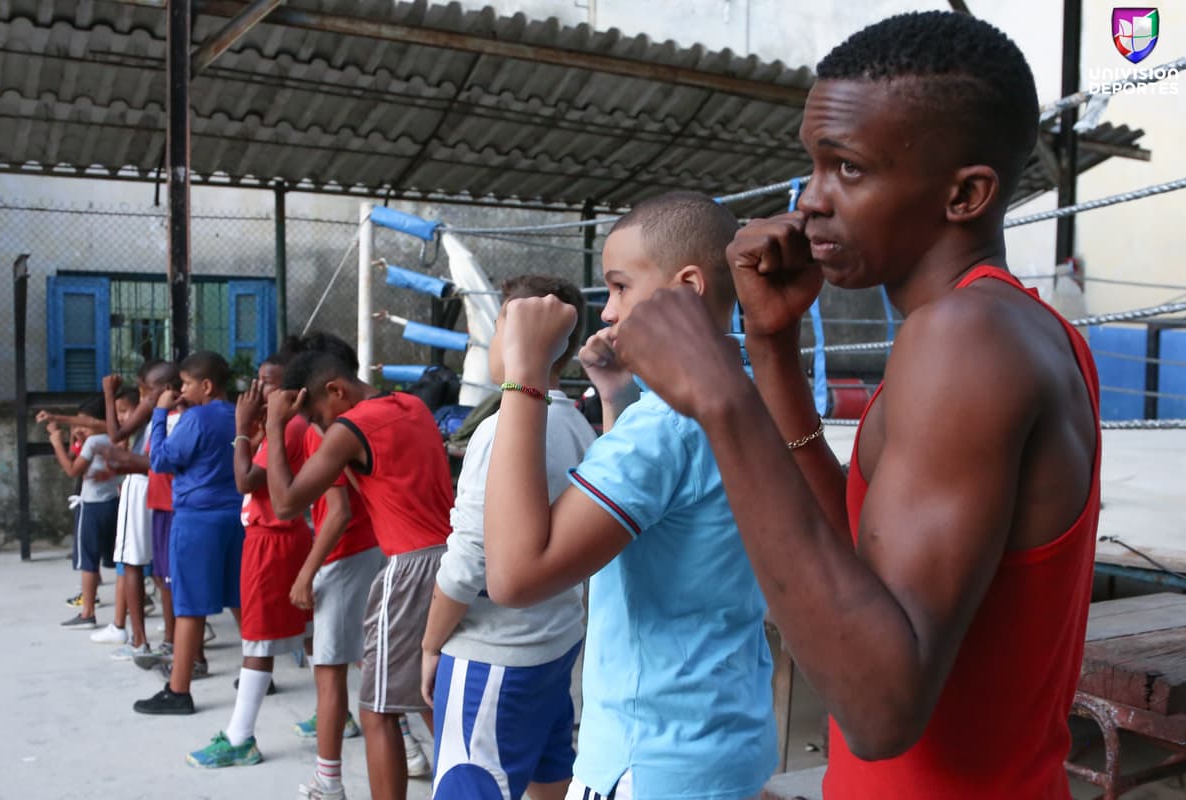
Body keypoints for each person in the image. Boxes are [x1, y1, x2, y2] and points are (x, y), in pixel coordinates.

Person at [609, 12, 1102, 799]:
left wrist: (721, 396)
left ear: (965, 194)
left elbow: (879, 709)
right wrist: (770, 350)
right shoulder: (1018, 327)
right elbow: (859, 576)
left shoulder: (966, 339)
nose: (809, 202)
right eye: (813, 165)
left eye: (849, 169)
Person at [483, 191, 778, 800]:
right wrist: (617, 400)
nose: (608, 314)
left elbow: (515, 575)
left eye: (619, 288)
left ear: (687, 287)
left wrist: (527, 376)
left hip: (648, 759)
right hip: (721, 739)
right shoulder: (751, 394)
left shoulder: (668, 422)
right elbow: (655, 524)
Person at [422, 275, 596, 800]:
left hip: (491, 657)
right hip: (556, 645)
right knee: (548, 779)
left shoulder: (501, 430)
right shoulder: (581, 427)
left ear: (515, 338)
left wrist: (430, 644)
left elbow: (470, 558)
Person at [266, 334, 453, 800]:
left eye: (315, 417)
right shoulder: (411, 405)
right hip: (454, 559)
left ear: (335, 391)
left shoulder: (350, 429)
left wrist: (271, 427)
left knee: (377, 712)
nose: (319, 427)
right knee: (434, 698)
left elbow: (286, 503)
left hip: (409, 568)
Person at [185, 355, 316, 767]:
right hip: (284, 535)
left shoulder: (288, 428)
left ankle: (241, 736)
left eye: (268, 384)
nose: (257, 392)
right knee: (309, 628)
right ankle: (336, 709)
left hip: (271, 539)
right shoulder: (288, 427)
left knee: (258, 637)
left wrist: (242, 433)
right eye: (257, 382)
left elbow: (245, 479)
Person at [134, 351, 245, 715]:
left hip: (198, 519)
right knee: (238, 598)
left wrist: (161, 411)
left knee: (190, 605)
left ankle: (178, 689)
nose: (180, 389)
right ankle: (258, 671)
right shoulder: (240, 416)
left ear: (206, 386)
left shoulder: (196, 418)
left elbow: (161, 461)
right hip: (236, 516)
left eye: (186, 383)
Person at [47, 397, 123, 630]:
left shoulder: (93, 442)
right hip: (113, 501)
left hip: (92, 504)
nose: (79, 427)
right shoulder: (114, 438)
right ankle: (139, 599)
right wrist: (76, 438)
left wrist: (56, 442)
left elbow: (71, 469)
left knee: (88, 561)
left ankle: (87, 611)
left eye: (83, 422)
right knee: (121, 560)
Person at [90, 385, 154, 656]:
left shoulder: (153, 410)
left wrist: (107, 395)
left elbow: (115, 435)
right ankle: (172, 641)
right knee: (158, 573)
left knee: (130, 565)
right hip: (151, 489)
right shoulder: (166, 417)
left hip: (141, 490)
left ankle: (138, 640)